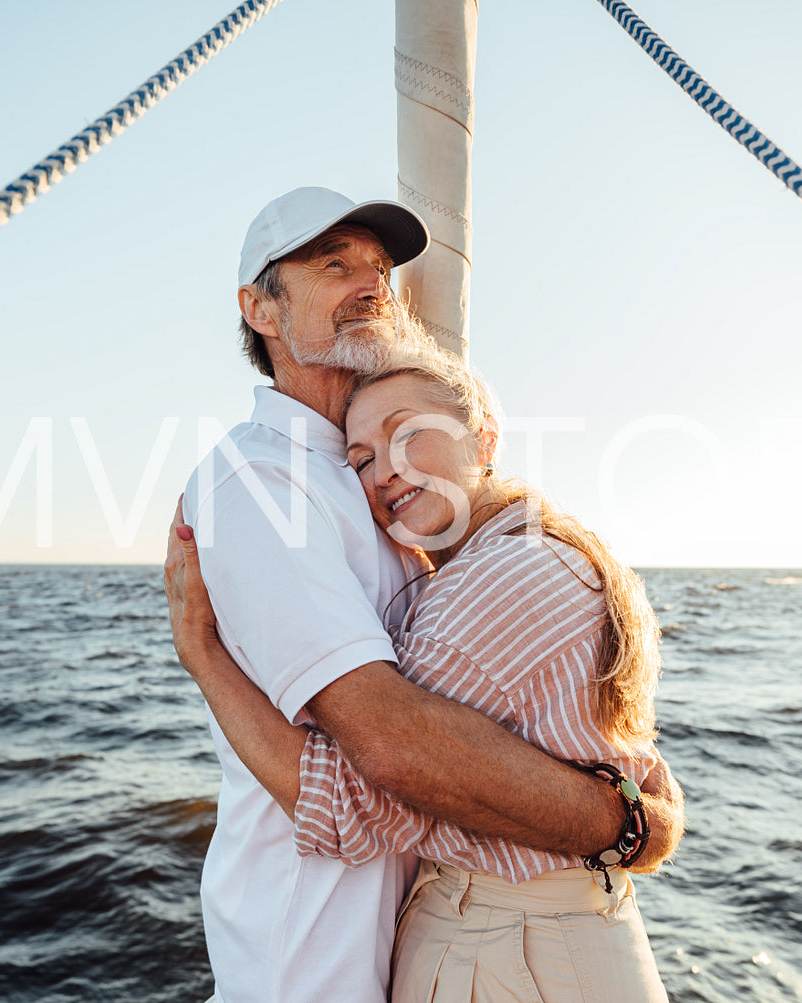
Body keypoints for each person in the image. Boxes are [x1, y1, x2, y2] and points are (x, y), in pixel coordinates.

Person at [169, 186, 681, 1003]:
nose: (371, 282)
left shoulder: (380, 488)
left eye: (379, 267)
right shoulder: (260, 479)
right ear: (259, 309)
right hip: (309, 960)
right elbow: (393, 747)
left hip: (424, 934)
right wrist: (625, 824)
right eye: (333, 264)